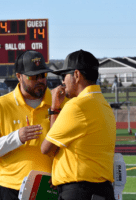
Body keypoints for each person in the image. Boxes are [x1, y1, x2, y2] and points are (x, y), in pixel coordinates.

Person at [0, 50, 56, 200]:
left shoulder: (58, 102)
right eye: (33, 76)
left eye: (43, 75)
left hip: (49, 189)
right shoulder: (1, 105)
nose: (40, 80)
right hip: (12, 190)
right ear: (19, 76)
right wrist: (16, 138)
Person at [41, 49, 116, 200]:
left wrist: (54, 108)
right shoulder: (104, 105)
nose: (63, 81)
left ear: (76, 75)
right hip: (103, 190)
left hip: (79, 191)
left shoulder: (77, 106)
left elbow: (46, 148)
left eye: (64, 76)